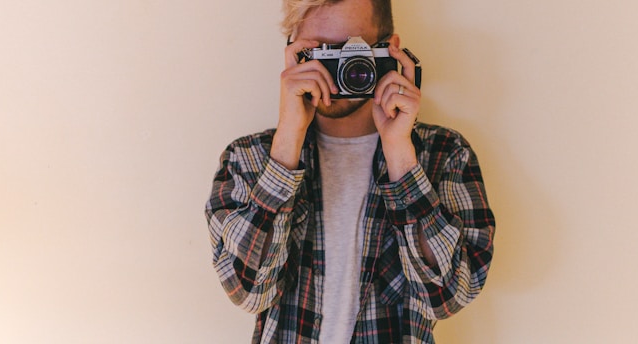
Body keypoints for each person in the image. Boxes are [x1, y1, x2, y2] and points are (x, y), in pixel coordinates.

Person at [205, 0, 495, 342]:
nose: (336, 70)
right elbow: (247, 291)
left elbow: (447, 297)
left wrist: (400, 152)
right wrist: (287, 142)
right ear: (292, 55)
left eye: (349, 50)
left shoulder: (444, 155)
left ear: (390, 50)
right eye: (320, 53)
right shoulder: (248, 159)